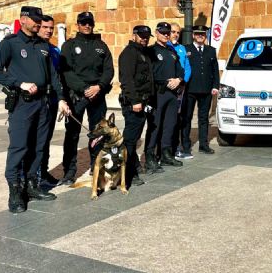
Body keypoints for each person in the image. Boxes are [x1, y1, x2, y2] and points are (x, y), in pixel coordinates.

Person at [0, 6, 71, 213]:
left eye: (39, 19)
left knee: (39, 146)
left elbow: (53, 75)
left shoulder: (42, 46)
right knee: (19, 147)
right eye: (34, 20)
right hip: (23, 103)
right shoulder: (11, 44)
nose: (37, 23)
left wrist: (60, 99)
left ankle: (33, 184)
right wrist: (19, 83)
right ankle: (15, 190)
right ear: (23, 20)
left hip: (44, 103)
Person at [58, 11, 114, 185]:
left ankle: (96, 165)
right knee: (72, 135)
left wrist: (99, 86)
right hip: (77, 96)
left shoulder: (101, 45)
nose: (87, 26)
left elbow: (109, 70)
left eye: (89, 22)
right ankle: (69, 171)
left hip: (97, 95)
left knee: (98, 134)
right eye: (83, 23)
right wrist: (84, 88)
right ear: (78, 25)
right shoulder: (69, 45)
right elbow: (66, 71)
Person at [119, 25, 154, 184]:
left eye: (147, 36)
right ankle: (127, 174)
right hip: (134, 104)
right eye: (141, 36)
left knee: (134, 137)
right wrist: (134, 101)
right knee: (130, 141)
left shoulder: (143, 52)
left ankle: (134, 166)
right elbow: (126, 80)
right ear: (134, 35)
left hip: (143, 102)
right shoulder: (129, 53)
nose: (144, 38)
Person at [145, 22, 184, 168]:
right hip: (158, 93)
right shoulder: (150, 51)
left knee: (170, 125)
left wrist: (178, 79)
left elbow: (180, 70)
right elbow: (148, 74)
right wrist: (166, 81)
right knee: (155, 126)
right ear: (157, 33)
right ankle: (150, 156)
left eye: (168, 32)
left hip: (172, 94)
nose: (166, 35)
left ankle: (166, 154)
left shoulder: (172, 51)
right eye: (163, 32)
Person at [183, 25, 219, 154]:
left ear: (205, 36)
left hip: (206, 90)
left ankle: (203, 144)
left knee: (203, 118)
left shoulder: (211, 50)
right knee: (187, 118)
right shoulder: (186, 49)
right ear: (193, 35)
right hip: (190, 90)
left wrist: (215, 86)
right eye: (197, 33)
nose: (200, 36)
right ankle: (185, 145)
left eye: (202, 34)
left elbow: (215, 70)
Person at [38, 15, 61, 186]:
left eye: (51, 27)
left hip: (51, 101)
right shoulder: (30, 48)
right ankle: (29, 177)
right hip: (34, 101)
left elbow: (59, 76)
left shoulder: (55, 51)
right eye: (45, 27)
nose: (48, 30)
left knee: (45, 139)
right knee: (32, 141)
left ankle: (42, 172)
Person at [167, 23, 192, 159]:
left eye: (177, 32)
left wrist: (182, 81)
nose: (175, 34)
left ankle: (177, 147)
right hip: (168, 88)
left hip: (181, 88)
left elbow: (188, 68)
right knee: (168, 120)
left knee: (179, 118)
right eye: (173, 32)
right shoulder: (165, 47)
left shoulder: (182, 48)